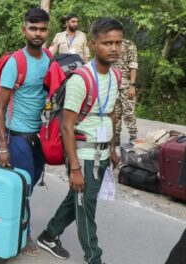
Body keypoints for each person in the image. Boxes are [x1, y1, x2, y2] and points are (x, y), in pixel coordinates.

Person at [36, 18, 123, 264]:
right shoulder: (80, 79)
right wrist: (74, 168)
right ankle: (94, 258)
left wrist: (113, 148)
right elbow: (66, 125)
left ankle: (49, 235)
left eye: (118, 42)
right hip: (84, 154)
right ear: (94, 45)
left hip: (103, 151)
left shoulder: (116, 75)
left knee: (78, 199)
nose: (113, 48)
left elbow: (112, 112)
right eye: (107, 43)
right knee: (86, 209)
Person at [0, 7, 50, 256]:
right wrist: (3, 147)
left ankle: (13, 221)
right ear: (24, 29)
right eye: (33, 28)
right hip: (18, 136)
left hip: (40, 137)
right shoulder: (15, 62)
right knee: (23, 188)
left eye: (43, 29)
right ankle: (22, 235)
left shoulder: (49, 58)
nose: (38, 33)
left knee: (29, 185)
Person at [113, 38, 138, 144]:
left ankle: (133, 136)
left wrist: (132, 85)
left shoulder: (129, 44)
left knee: (129, 112)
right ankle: (115, 137)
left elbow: (133, 65)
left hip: (126, 84)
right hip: (112, 84)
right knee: (114, 113)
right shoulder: (108, 43)